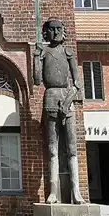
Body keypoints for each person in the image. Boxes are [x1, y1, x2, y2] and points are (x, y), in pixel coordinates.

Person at [33, 18, 85, 204]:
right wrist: (36, 59)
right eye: (51, 29)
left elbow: (77, 83)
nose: (55, 33)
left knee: (71, 148)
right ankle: (53, 191)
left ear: (63, 31)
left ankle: (76, 192)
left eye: (58, 29)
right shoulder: (44, 51)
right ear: (46, 32)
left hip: (66, 96)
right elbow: (37, 80)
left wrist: (68, 100)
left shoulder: (68, 52)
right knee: (52, 149)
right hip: (51, 95)